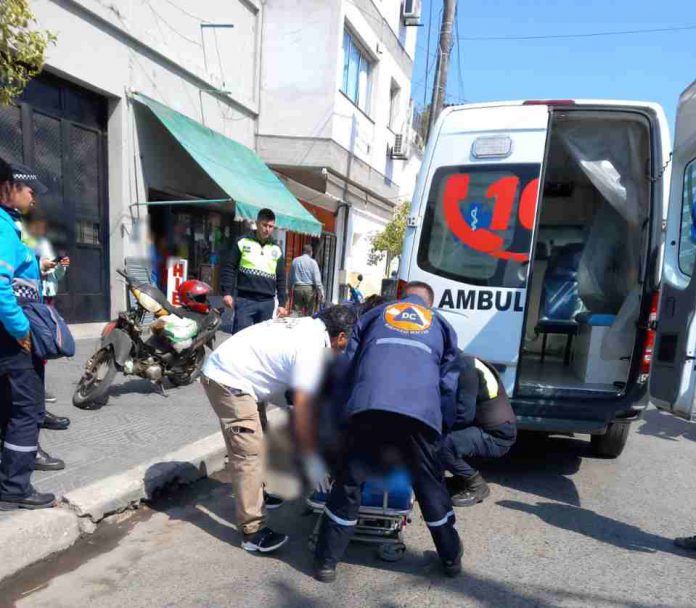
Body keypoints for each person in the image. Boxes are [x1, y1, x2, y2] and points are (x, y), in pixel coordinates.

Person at [312, 281, 463, 582]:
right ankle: (450, 558)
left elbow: (348, 366)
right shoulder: (442, 325)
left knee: (349, 484)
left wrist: (342, 417)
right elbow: (449, 383)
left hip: (369, 406)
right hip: (420, 414)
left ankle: (326, 563)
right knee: (430, 486)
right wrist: (441, 427)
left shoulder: (375, 315)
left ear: (402, 299)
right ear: (428, 304)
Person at [200, 305, 356, 553]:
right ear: (341, 337)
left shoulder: (311, 328)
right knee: (248, 454)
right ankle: (252, 531)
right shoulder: (312, 350)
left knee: (258, 439)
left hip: (244, 375)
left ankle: (257, 494)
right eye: (346, 344)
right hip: (229, 379)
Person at [0, 158, 57, 510]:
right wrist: (22, 330)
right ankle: (15, 487)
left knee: (7, 406)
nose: (33, 194)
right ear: (7, 187)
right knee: (28, 410)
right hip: (10, 336)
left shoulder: (10, 225)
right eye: (28, 187)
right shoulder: (3, 227)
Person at [440, 354, 517, 507]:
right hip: (485, 428)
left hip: (496, 436)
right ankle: (461, 479)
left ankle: (477, 486)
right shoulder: (463, 362)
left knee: (442, 444)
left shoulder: (466, 366)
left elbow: (464, 415)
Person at [24, 209, 71, 434]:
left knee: (41, 349)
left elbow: (53, 276)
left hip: (43, 298)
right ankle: (33, 412)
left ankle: (37, 409)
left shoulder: (44, 243)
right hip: (24, 304)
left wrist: (59, 267)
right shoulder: (17, 234)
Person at [220, 208, 288, 333]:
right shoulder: (242, 242)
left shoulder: (276, 249)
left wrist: (282, 304)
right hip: (245, 301)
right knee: (240, 340)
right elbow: (229, 267)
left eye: (271, 226)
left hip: (267, 303)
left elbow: (281, 278)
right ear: (257, 223)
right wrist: (227, 292)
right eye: (264, 225)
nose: (267, 229)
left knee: (261, 345)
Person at [290, 244, 324, 316]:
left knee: (296, 312)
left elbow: (291, 276)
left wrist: (288, 289)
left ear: (303, 252)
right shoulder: (313, 262)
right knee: (309, 313)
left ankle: (295, 325)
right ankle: (307, 325)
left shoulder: (295, 261)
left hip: (297, 288)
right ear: (311, 252)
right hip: (309, 290)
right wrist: (321, 292)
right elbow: (317, 280)